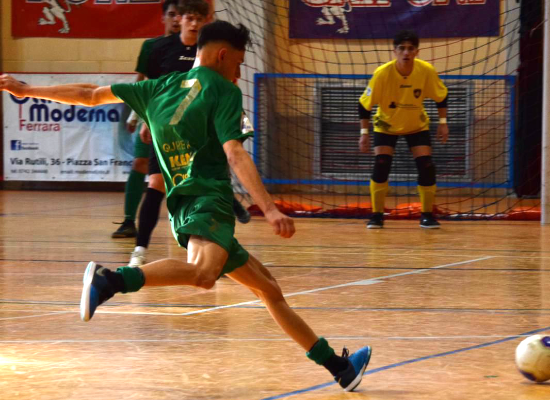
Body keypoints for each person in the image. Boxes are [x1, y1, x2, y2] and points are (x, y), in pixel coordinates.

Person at [0, 20, 371, 393]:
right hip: (210, 200)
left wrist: (27, 90)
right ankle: (111, 281)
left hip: (182, 205)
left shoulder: (157, 87)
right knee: (204, 275)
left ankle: (339, 367)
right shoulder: (223, 91)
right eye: (238, 63)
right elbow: (235, 153)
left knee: (268, 290)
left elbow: (89, 94)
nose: (238, 73)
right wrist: (270, 209)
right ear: (222, 55)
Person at [127, 0, 251, 268]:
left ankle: (220, 242)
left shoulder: (211, 53)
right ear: (179, 19)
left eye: (199, 19)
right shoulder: (160, 48)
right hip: (168, 129)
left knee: (212, 177)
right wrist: (144, 118)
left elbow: (225, 85)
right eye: (188, 18)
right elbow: (151, 88)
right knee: (156, 183)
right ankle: (139, 249)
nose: (193, 24)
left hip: (202, 128)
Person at [358, 30, 449, 229]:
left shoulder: (426, 70)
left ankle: (427, 215)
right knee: (381, 164)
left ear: (417, 51)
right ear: (395, 51)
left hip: (416, 125)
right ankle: (377, 216)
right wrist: (364, 134)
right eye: (402, 48)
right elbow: (364, 105)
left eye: (410, 48)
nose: (406, 52)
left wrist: (443, 123)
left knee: (426, 166)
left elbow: (441, 97)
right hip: (386, 125)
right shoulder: (382, 73)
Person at [112, 0, 182, 239]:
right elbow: (142, 82)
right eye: (171, 14)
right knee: (140, 164)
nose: (176, 19)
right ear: (163, 18)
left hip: (182, 119)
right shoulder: (151, 46)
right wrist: (135, 115)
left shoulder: (193, 48)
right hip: (151, 115)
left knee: (177, 172)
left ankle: (186, 222)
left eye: (180, 15)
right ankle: (128, 221)